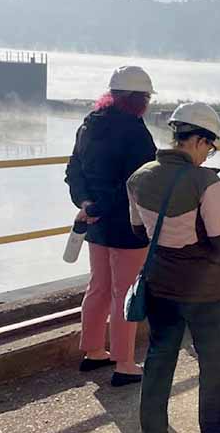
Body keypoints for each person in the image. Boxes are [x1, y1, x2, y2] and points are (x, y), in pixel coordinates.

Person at [128, 102, 220, 433]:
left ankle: (153, 427)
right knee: (212, 363)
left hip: (160, 282)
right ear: (198, 140)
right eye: (210, 146)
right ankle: (213, 429)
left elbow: (139, 230)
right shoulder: (204, 182)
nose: (209, 154)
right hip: (203, 289)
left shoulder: (139, 177)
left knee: (160, 358)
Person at [65, 65, 157, 387]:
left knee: (99, 286)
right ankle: (125, 362)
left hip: (95, 222)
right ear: (138, 99)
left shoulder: (89, 125)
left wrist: (86, 204)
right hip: (127, 225)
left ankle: (93, 350)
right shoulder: (135, 131)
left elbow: (73, 169)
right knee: (126, 293)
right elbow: (138, 183)